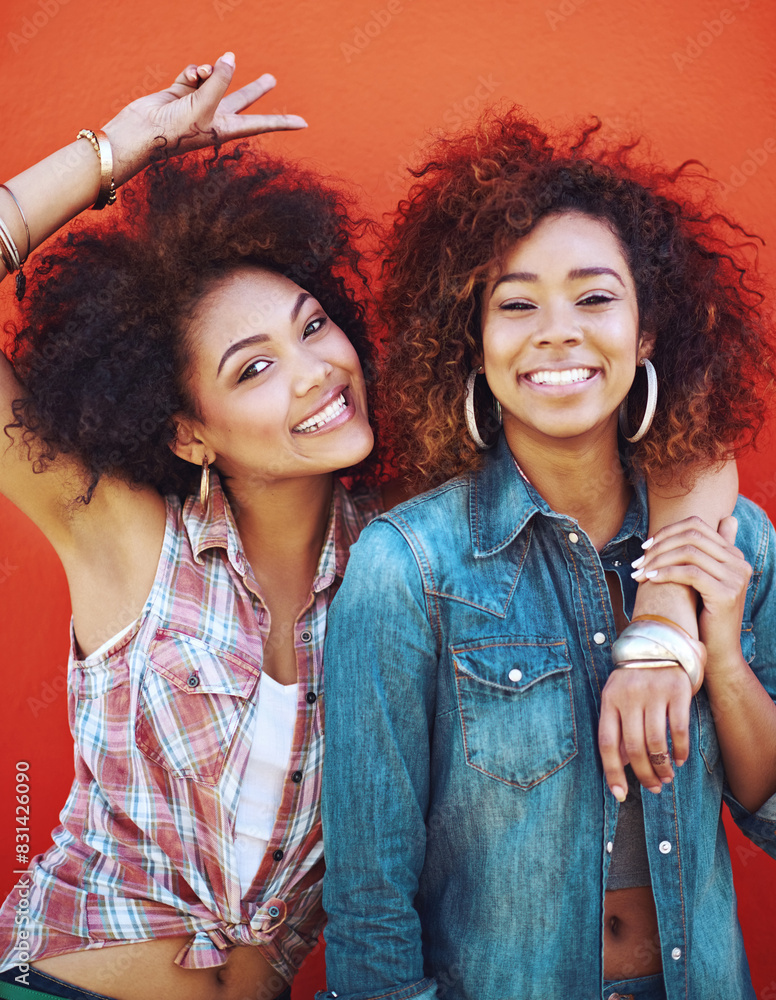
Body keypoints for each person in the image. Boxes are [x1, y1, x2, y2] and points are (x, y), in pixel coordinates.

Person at [318, 111, 776, 1000]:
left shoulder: (735, 539)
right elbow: (369, 900)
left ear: (648, 333)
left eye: (596, 297)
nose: (558, 331)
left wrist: (713, 652)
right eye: (517, 303)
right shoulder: (407, 567)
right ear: (474, 344)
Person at [0, 55, 380, 1000]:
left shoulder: (404, 564)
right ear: (189, 432)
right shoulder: (125, 537)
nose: (314, 371)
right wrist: (117, 152)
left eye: (315, 326)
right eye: (253, 369)